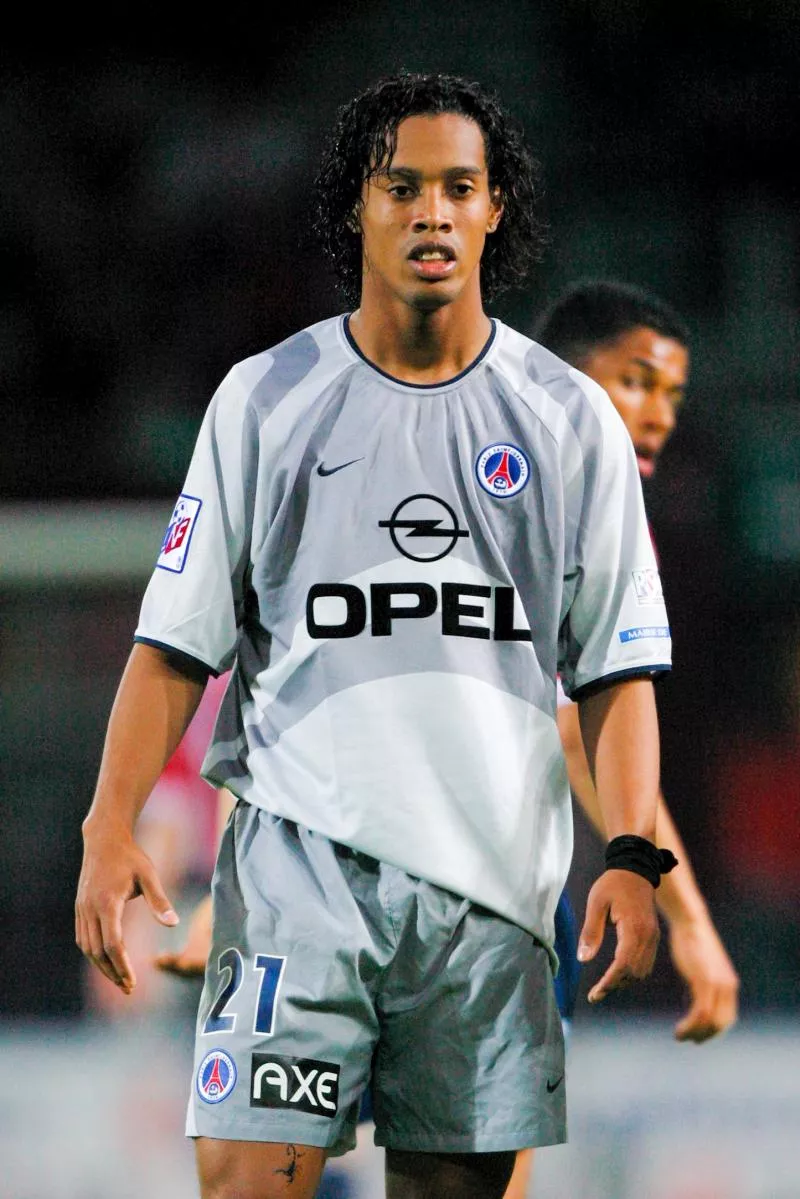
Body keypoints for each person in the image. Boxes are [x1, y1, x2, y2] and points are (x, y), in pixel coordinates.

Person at [76, 73, 677, 1199]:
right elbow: (172, 649)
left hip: (489, 900)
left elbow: (614, 667)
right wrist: (110, 824)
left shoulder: (565, 419)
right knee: (247, 1182)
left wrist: (636, 852)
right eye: (400, 186)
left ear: (496, 208)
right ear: (357, 206)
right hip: (294, 881)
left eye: (459, 186)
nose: (431, 211)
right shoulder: (265, 400)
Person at [503, 278, 740, 1198]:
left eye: (672, 395)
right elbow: (574, 735)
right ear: (566, 375)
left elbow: (588, 726)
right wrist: (690, 924)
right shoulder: (535, 497)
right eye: (635, 381)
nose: (656, 415)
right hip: (453, 898)